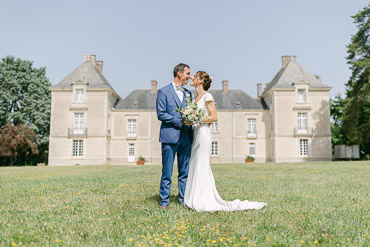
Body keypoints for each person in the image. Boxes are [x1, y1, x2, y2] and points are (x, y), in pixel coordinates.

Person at [184, 71, 267, 212]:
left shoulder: (207, 96)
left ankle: (202, 199)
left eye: (195, 76)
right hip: (196, 132)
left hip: (204, 134)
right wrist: (188, 121)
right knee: (195, 162)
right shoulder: (194, 99)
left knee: (202, 163)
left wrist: (197, 119)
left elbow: (214, 117)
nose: (192, 77)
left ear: (201, 80)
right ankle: (194, 197)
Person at [156, 63, 193, 210]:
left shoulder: (188, 94)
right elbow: (161, 114)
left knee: (184, 172)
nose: (189, 77)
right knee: (167, 172)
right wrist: (179, 121)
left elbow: (191, 112)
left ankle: (183, 199)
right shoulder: (163, 92)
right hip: (169, 137)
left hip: (186, 138)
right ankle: (164, 202)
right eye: (187, 74)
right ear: (179, 73)